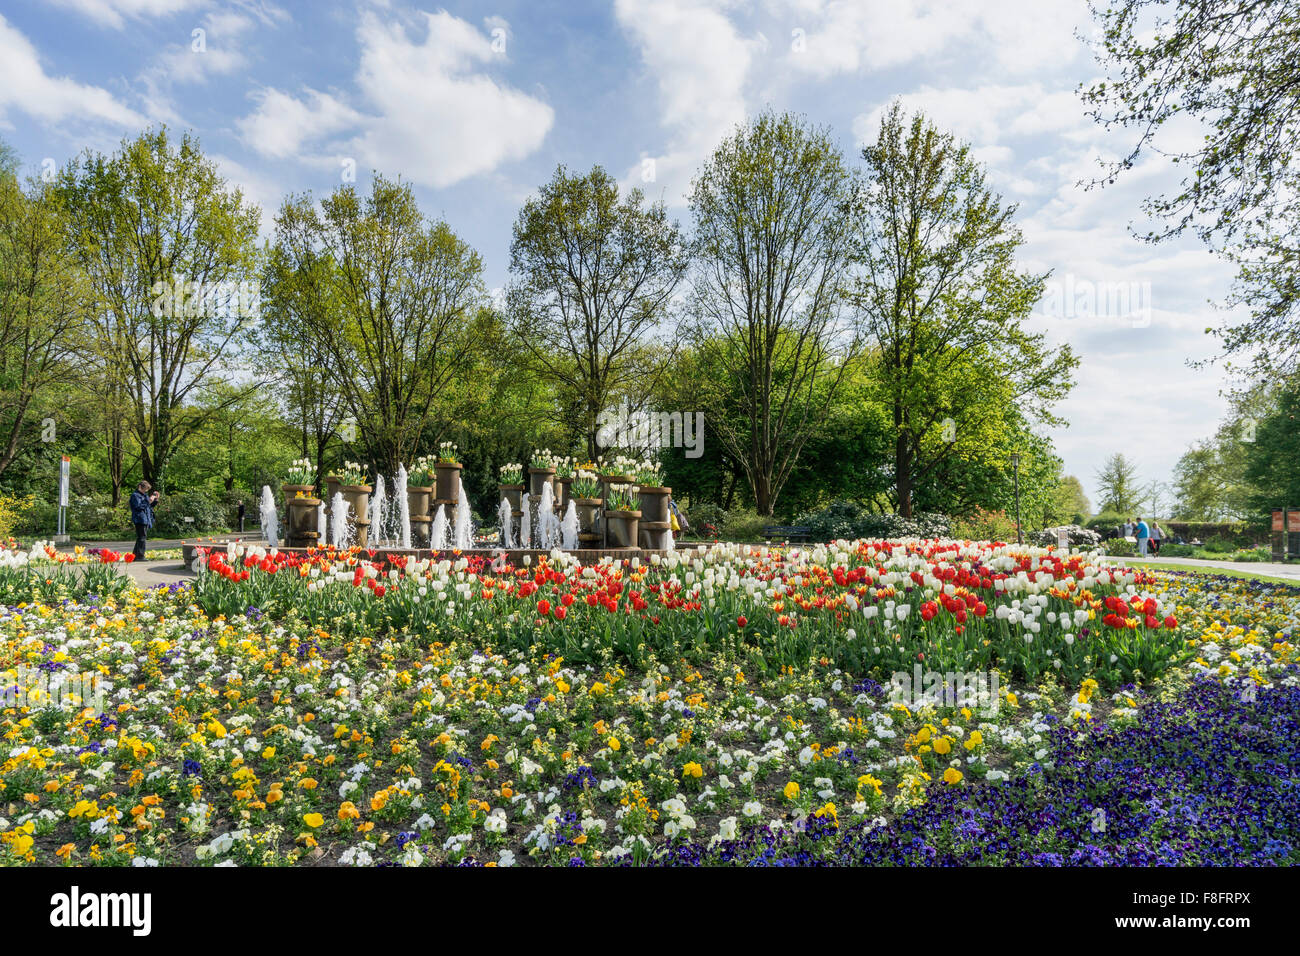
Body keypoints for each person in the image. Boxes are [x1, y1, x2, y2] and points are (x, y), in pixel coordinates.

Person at [129, 480, 160, 560]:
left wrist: (155, 500)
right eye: (145, 489)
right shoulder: (135, 496)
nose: (145, 491)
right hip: (139, 518)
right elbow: (138, 507)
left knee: (141, 537)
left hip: (145, 518)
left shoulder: (144, 495)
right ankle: (140, 556)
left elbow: (149, 506)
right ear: (140, 487)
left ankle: (135, 556)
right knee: (142, 537)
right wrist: (149, 501)